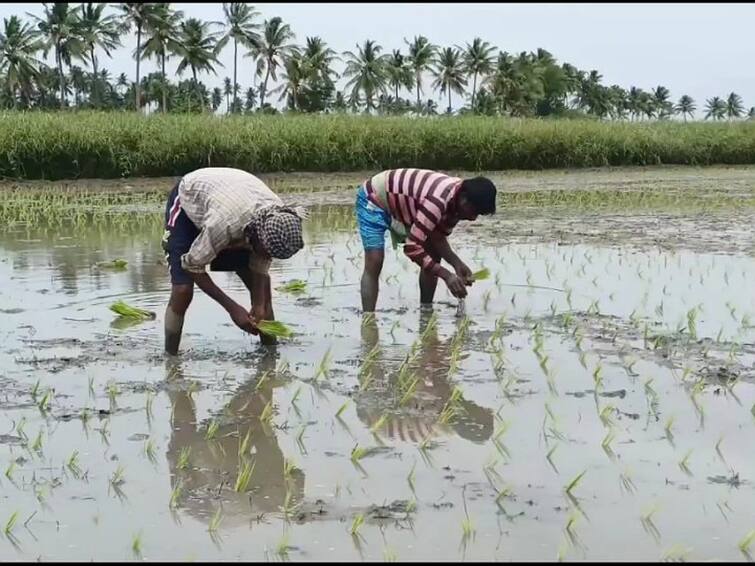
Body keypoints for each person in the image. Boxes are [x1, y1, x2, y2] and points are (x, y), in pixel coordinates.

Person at [162, 167, 306, 355]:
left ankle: (270, 356)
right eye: (265, 252)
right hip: (190, 201)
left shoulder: (277, 218)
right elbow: (191, 265)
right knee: (182, 290)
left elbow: (262, 263)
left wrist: (259, 303)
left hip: (234, 197)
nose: (266, 257)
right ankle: (170, 359)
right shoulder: (223, 225)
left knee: (261, 290)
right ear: (257, 237)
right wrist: (232, 308)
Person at [355, 168, 497, 312]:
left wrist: (456, 263)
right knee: (375, 260)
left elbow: (438, 238)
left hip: (404, 205)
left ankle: (426, 311)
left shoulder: (457, 204)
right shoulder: (438, 202)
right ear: (464, 200)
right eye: (474, 212)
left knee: (433, 255)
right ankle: (368, 319)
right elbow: (412, 248)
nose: (473, 218)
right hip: (374, 198)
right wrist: (446, 276)